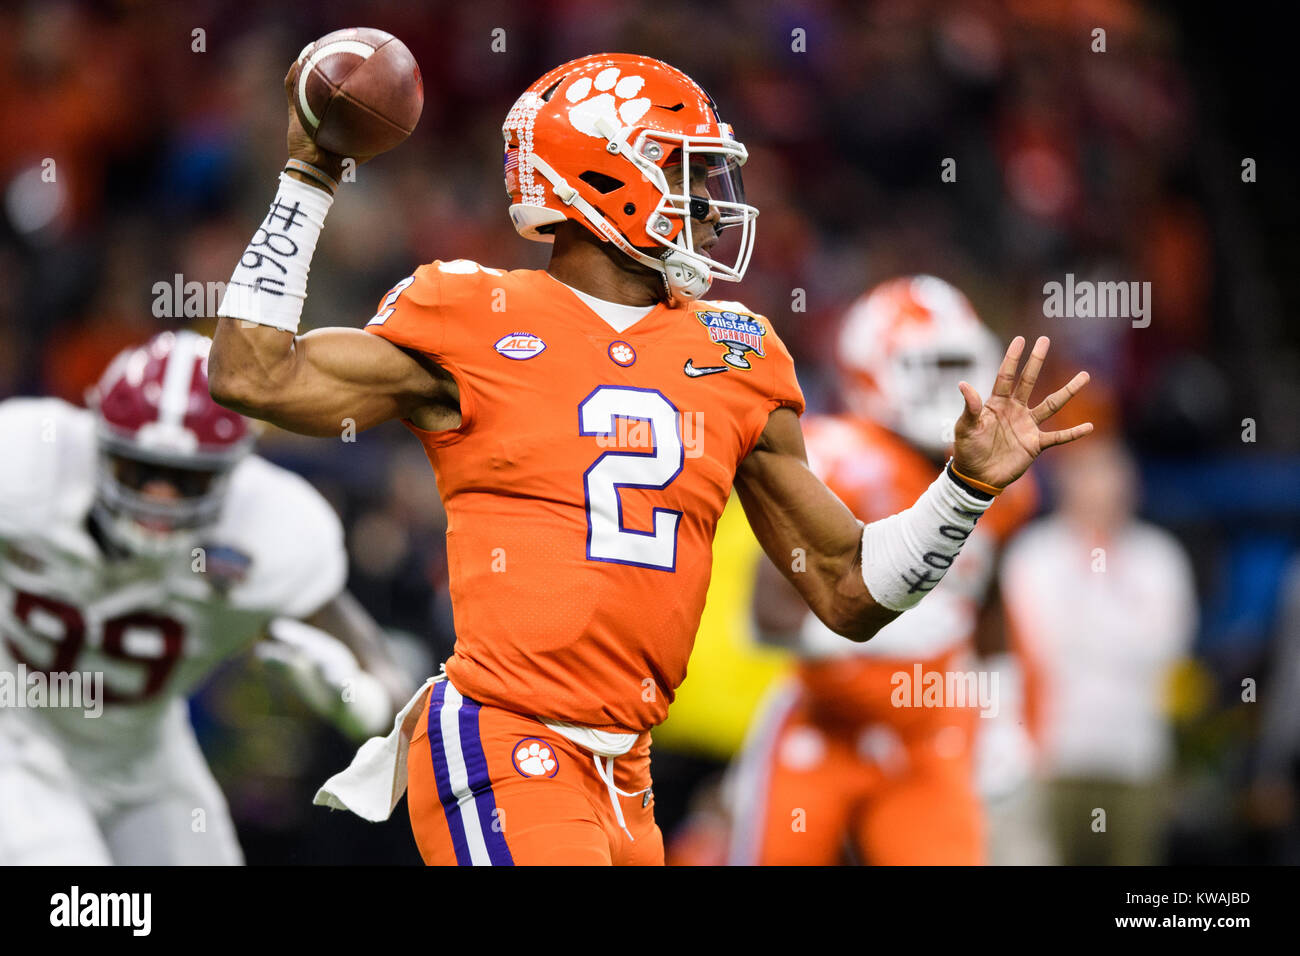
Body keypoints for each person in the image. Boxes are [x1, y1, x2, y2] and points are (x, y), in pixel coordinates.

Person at [209, 52, 1092, 866]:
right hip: (506, 734)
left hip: (629, 772)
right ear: (600, 170)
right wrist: (311, 174)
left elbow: (849, 592)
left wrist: (963, 489)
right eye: (684, 172)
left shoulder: (740, 352)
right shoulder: (472, 313)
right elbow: (255, 374)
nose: (711, 200)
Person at [0, 330, 408, 865]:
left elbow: (389, 688)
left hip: (143, 752)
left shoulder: (270, 527)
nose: (159, 498)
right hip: (18, 734)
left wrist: (361, 701)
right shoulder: (27, 460)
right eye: (139, 469)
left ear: (232, 471)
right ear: (99, 444)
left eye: (186, 479)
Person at [725, 276, 1037, 865]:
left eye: (959, 364)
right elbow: (766, 615)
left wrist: (1004, 716)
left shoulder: (997, 472)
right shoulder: (840, 456)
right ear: (873, 369)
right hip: (823, 729)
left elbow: (990, 603)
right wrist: (869, 634)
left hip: (929, 739)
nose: (952, 386)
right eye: (932, 366)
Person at [1000, 437, 1196, 865]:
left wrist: (1091, 622)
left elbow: (1166, 649)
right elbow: (1037, 648)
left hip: (1135, 757)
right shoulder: (1033, 555)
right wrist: (1116, 619)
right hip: (1052, 758)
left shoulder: (1160, 557)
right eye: (1087, 474)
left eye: (1112, 473)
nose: (1102, 488)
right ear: (1065, 484)